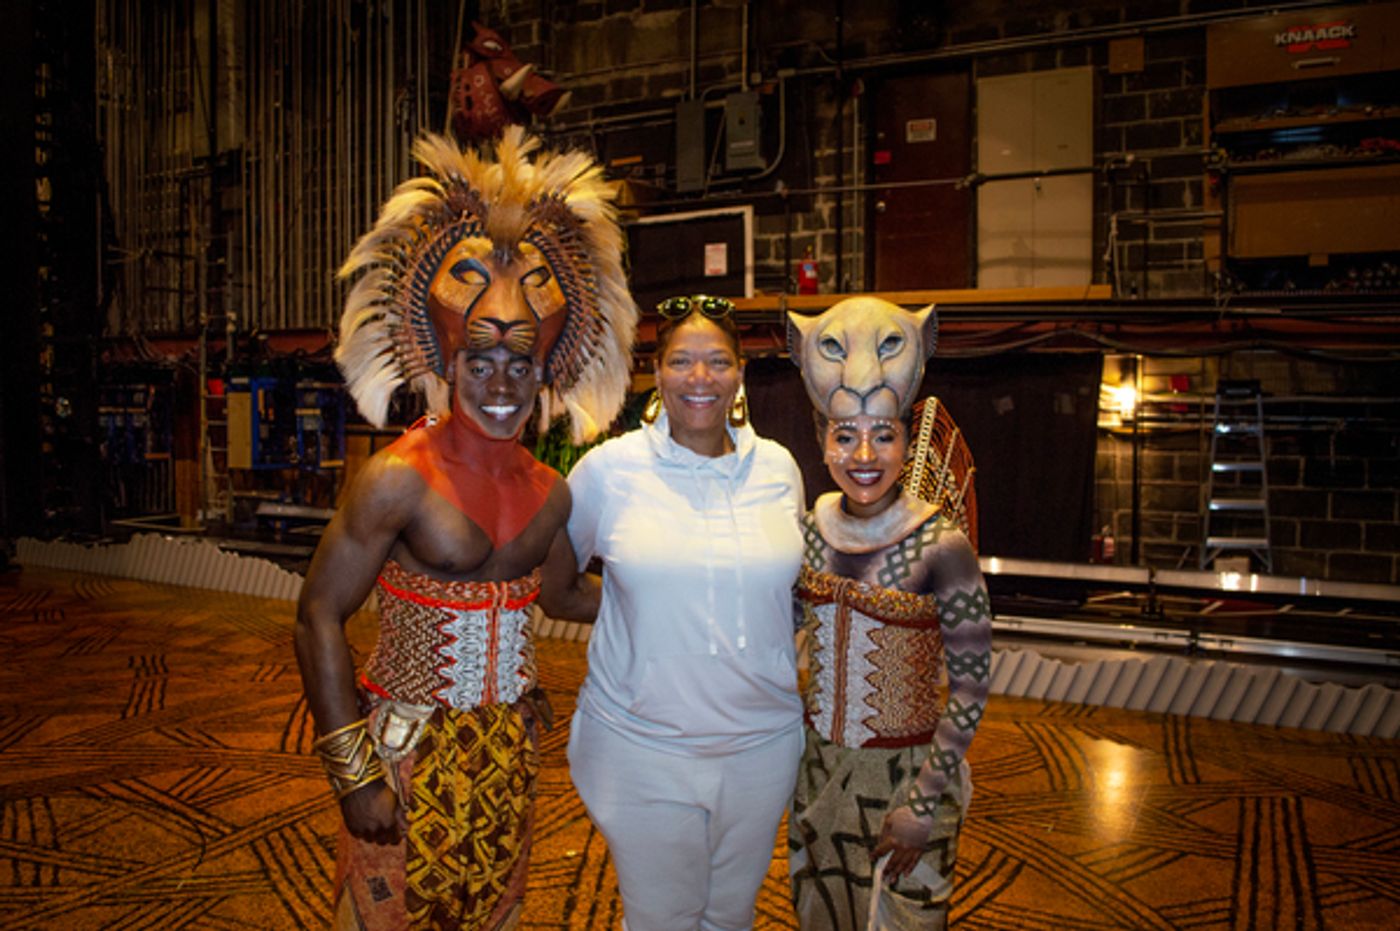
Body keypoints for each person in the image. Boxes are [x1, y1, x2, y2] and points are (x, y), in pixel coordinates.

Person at [294, 127, 636, 931]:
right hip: (401, 757)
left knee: (495, 915)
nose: (500, 382)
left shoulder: (552, 493)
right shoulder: (396, 479)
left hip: (506, 759)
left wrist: (672, 587)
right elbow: (316, 614)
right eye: (479, 360)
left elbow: (561, 596)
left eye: (521, 364)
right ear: (443, 359)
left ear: (548, 370)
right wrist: (354, 773)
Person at [563, 295, 807, 931]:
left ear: (740, 374)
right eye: (682, 362)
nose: (700, 379)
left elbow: (784, 592)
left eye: (717, 362)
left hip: (763, 747)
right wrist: (632, 611)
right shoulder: (610, 471)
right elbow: (554, 580)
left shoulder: (779, 469)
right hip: (645, 748)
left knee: (731, 917)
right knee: (663, 919)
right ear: (656, 371)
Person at [785, 296, 992, 930]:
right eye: (845, 436)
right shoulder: (809, 531)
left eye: (883, 435)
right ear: (823, 441)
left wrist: (924, 802)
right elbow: (778, 639)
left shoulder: (941, 545)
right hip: (818, 779)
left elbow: (970, 686)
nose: (864, 456)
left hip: (908, 781)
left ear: (906, 437)